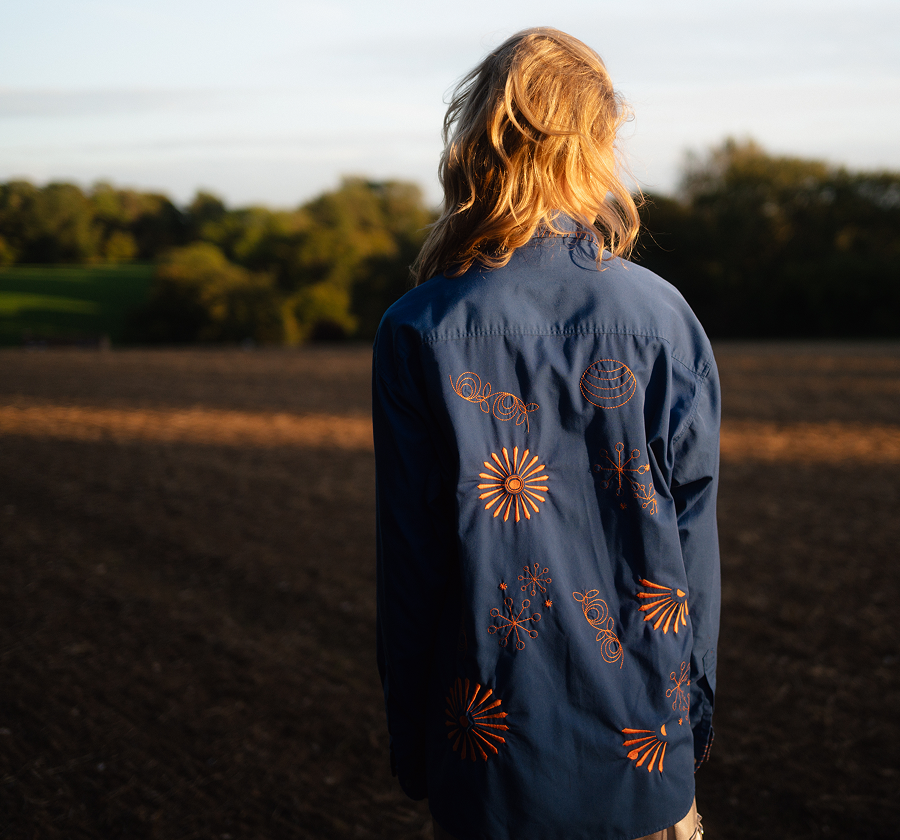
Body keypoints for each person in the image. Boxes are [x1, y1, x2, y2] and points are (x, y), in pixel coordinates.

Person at [371, 27, 719, 840]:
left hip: (488, 769)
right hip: (646, 761)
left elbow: (411, 565)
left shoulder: (416, 328)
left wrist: (416, 746)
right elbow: (692, 548)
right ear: (598, 142)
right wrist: (686, 725)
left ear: (480, 138)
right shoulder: (666, 319)